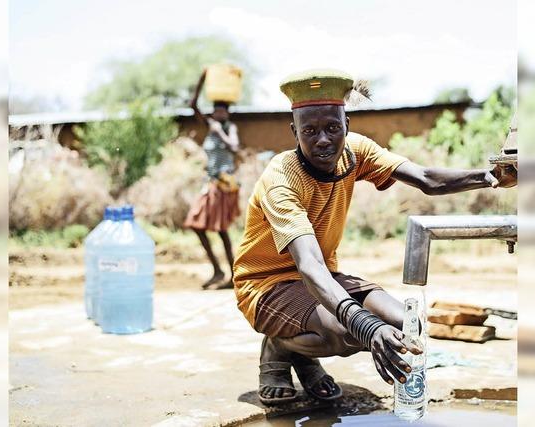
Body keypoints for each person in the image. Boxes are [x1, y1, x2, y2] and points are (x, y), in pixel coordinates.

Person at [232, 69, 517, 405]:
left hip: (323, 276)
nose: (323, 139)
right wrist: (366, 327)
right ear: (295, 131)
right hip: (267, 285)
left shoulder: (354, 152)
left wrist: (489, 176)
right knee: (347, 333)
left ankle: (303, 347)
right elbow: (308, 264)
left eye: (332, 128)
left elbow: (426, 178)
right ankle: (280, 346)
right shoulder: (281, 179)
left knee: (406, 323)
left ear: (347, 126)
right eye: (310, 131)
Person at [183, 69, 241, 290]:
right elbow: (192, 105)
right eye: (215, 112)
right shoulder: (209, 125)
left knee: (221, 230)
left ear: (227, 114)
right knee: (196, 224)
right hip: (210, 183)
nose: (218, 115)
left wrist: (220, 133)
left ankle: (233, 275)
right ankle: (217, 270)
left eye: (221, 112)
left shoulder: (229, 128)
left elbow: (235, 147)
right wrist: (201, 80)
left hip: (224, 184)